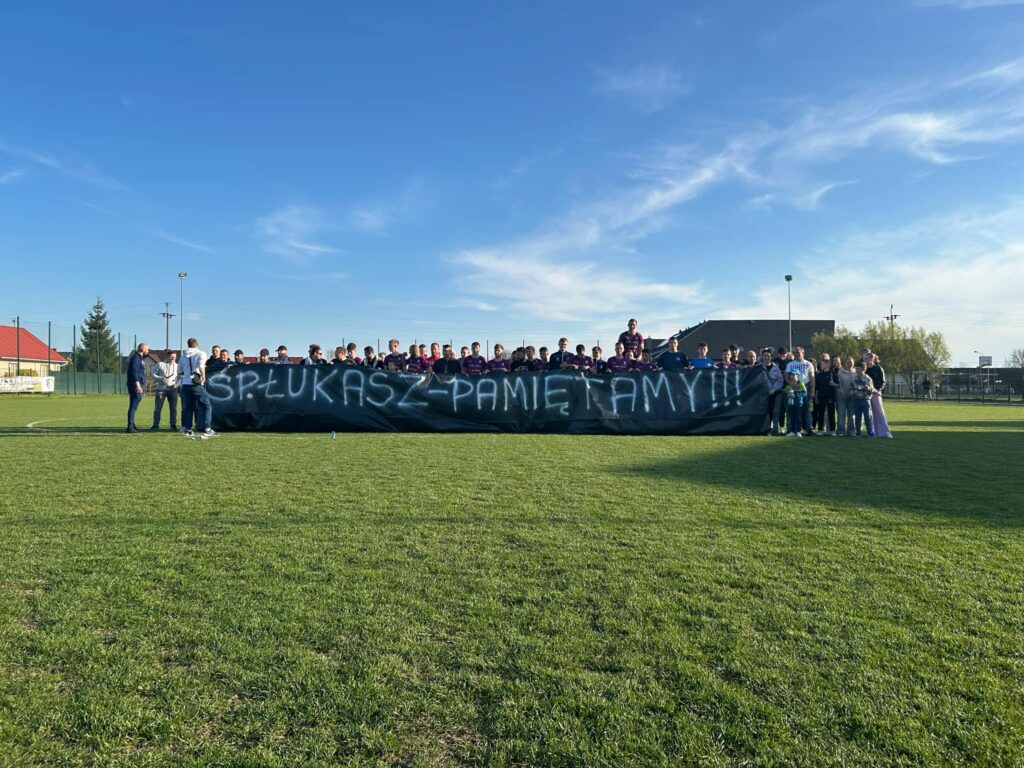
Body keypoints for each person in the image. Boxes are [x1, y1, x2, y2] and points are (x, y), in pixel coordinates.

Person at [179, 337, 218, 439]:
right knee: (207, 406)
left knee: (188, 408)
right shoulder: (201, 353)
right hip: (196, 384)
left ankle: (188, 429)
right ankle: (207, 428)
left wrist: (186, 375)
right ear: (196, 344)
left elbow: (179, 370)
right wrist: (203, 378)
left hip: (185, 384)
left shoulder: (183, 356)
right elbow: (201, 366)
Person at [785, 347, 816, 436]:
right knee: (792, 410)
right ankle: (791, 430)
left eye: (798, 352)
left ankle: (809, 429)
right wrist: (790, 383)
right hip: (793, 389)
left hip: (805, 388)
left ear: (803, 352)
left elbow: (812, 378)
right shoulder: (790, 364)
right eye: (794, 352)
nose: (796, 354)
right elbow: (786, 376)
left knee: (807, 410)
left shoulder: (808, 364)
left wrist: (813, 390)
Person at [151, 350, 180, 431]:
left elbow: (181, 378)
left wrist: (177, 384)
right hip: (161, 389)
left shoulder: (178, 366)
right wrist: (161, 379)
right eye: (171, 356)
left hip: (173, 389)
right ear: (167, 356)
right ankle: (155, 425)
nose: (173, 358)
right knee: (158, 408)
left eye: (174, 357)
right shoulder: (160, 364)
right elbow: (152, 374)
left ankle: (173, 425)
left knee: (173, 409)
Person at [866, 353, 893, 438]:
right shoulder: (865, 369)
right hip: (867, 393)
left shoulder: (878, 368)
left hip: (876, 393)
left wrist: (877, 390)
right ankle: (872, 432)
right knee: (870, 413)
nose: (865, 359)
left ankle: (886, 432)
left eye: (866, 358)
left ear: (871, 358)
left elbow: (883, 382)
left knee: (879, 412)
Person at [125, 342, 149, 433]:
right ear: (143, 349)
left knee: (134, 405)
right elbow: (134, 371)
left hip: (137, 384)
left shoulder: (139, 358)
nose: (148, 351)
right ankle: (130, 427)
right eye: (147, 349)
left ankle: (132, 425)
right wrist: (137, 384)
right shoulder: (136, 358)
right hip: (135, 385)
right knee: (133, 405)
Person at [760, 349, 784, 435]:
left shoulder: (776, 368)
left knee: (776, 411)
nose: (766, 357)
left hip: (775, 393)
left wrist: (773, 389)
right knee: (766, 411)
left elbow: (780, 380)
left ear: (771, 357)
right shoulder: (759, 367)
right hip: (763, 394)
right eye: (765, 355)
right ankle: (766, 428)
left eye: (768, 356)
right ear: (762, 357)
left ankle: (775, 429)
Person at [813, 354, 837, 435]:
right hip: (821, 397)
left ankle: (832, 430)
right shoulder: (819, 375)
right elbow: (817, 388)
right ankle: (820, 430)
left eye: (823, 364)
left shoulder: (832, 373)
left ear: (827, 364)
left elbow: (838, 385)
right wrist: (816, 397)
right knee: (821, 413)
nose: (821, 366)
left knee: (831, 414)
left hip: (830, 397)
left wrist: (833, 384)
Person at [850, 361, 876, 437]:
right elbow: (851, 388)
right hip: (856, 399)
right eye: (856, 368)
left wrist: (868, 388)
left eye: (858, 368)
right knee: (857, 417)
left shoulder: (868, 378)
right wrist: (852, 392)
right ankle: (858, 432)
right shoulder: (853, 378)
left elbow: (872, 389)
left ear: (863, 369)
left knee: (867, 416)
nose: (857, 370)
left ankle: (870, 432)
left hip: (865, 400)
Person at [834, 356, 856, 437]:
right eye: (848, 362)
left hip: (852, 397)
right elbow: (838, 383)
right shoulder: (840, 372)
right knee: (841, 414)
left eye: (851, 362)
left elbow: (856, 385)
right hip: (841, 396)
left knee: (851, 415)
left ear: (853, 363)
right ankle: (840, 431)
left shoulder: (855, 373)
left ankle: (851, 430)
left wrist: (851, 392)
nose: (849, 364)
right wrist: (842, 392)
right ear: (845, 363)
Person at [783, 371, 808, 438]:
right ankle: (792, 431)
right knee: (791, 417)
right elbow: (786, 391)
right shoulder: (789, 384)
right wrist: (787, 393)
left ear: (798, 376)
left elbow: (805, 393)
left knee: (798, 417)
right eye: (791, 375)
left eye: (794, 375)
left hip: (798, 403)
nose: (792, 376)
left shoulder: (800, 383)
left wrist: (796, 395)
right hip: (790, 404)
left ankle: (798, 431)